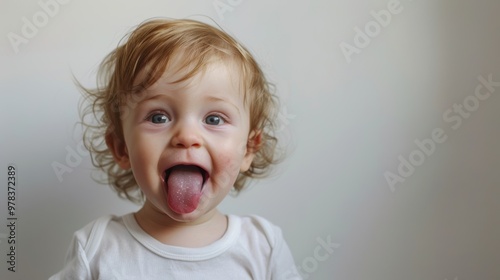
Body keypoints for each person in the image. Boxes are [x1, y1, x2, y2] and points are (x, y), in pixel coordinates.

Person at [49, 18, 301, 279]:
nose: (187, 136)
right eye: (158, 117)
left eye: (214, 119)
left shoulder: (263, 247)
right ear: (121, 148)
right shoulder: (96, 248)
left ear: (248, 149)